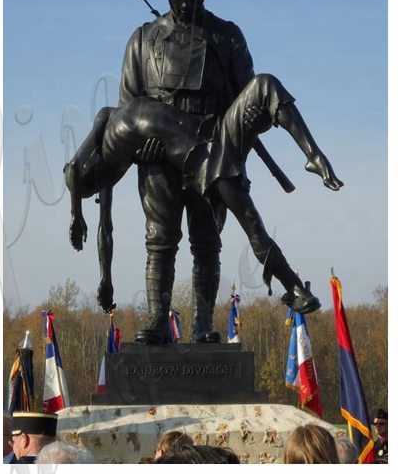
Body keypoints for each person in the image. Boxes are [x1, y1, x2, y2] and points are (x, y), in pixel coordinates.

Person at [65, 73, 342, 315]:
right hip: (206, 146)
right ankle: (292, 284)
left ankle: (293, 285)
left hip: (207, 142)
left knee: (252, 226)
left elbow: (76, 171)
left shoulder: (106, 139)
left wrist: (76, 215)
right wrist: (105, 278)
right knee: (251, 226)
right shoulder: (109, 137)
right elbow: (103, 226)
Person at [118, 0, 263, 343]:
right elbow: (128, 109)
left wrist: (230, 150)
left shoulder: (227, 37)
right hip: (158, 160)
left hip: (209, 154)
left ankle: (202, 325)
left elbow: (247, 106)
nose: (184, 4)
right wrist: (137, 148)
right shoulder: (143, 40)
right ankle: (157, 323)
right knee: (159, 241)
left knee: (206, 242)